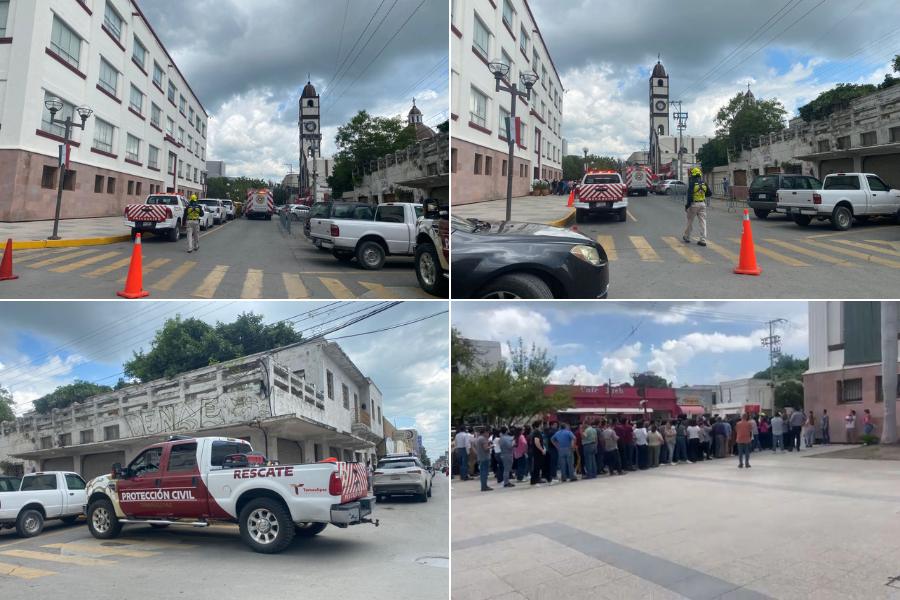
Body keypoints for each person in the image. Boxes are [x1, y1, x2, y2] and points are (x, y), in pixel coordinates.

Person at [682, 167, 710, 247]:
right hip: (702, 205)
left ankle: (687, 237)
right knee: (703, 222)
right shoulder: (704, 183)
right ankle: (703, 240)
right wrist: (702, 194)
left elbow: (690, 196)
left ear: (693, 175)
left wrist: (687, 206)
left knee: (690, 221)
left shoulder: (692, 183)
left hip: (694, 205)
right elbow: (709, 193)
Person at [529, 420, 546, 485]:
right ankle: (536, 479)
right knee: (537, 466)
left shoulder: (534, 432)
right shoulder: (537, 432)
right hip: (537, 452)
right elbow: (537, 441)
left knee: (536, 465)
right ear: (539, 425)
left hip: (535, 451)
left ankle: (535, 479)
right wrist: (542, 449)